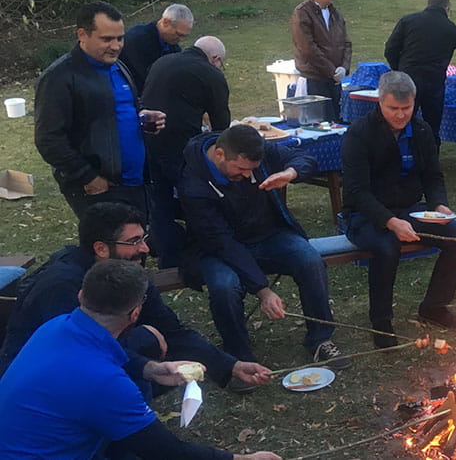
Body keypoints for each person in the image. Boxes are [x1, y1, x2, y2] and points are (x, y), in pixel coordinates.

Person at [0, 259, 280, 460]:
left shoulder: (57, 326)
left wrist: (153, 370)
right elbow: (165, 451)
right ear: (135, 314)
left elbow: (108, 356)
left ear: (82, 296)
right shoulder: (104, 382)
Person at [0, 203, 270, 397]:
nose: (145, 249)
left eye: (144, 239)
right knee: (149, 347)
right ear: (101, 248)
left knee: (167, 353)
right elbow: (79, 352)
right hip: (40, 378)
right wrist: (146, 344)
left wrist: (231, 365)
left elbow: (173, 330)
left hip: (88, 357)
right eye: (134, 241)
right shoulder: (61, 286)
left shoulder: (128, 272)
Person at [178, 124, 347, 367]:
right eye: (241, 169)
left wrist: (290, 173)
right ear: (219, 155)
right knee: (224, 286)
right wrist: (262, 289)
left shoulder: (257, 149)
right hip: (216, 248)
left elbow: (306, 158)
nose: (247, 176)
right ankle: (239, 358)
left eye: (252, 170)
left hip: (267, 236)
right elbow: (221, 242)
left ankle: (320, 339)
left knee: (310, 260)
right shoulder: (193, 183)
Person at [341, 72, 456, 348]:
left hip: (411, 209)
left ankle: (434, 307)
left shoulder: (422, 131)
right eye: (393, 109)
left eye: (406, 108)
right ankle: (382, 322)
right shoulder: (360, 133)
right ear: (379, 102)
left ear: (414, 103)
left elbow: (433, 176)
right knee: (387, 247)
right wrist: (389, 221)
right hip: (365, 215)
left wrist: (439, 204)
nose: (401, 115)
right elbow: (356, 191)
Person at [35, 1, 166, 219]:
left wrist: (142, 116)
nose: (116, 46)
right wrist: (87, 176)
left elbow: (124, 106)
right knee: (112, 249)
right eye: (106, 39)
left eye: (120, 38)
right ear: (82, 34)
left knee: (136, 243)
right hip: (99, 186)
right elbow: (48, 139)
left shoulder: (117, 66)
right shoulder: (60, 77)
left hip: (134, 179)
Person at [142, 36, 231, 268]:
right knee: (193, 197)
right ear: (216, 59)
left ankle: (167, 256)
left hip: (150, 138)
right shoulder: (211, 74)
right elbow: (221, 123)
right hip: (182, 147)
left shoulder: (163, 61)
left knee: (160, 201)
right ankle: (198, 252)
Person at [384, 0, 456, 143]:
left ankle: (399, 156)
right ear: (447, 8)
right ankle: (430, 159)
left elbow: (390, 49)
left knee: (402, 119)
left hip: (408, 78)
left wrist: (399, 69)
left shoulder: (408, 20)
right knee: (432, 125)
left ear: (428, 5)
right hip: (434, 80)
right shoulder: (450, 27)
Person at [291, 0, 352, 123]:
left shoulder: (336, 14)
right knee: (319, 126)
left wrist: (344, 68)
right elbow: (308, 49)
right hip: (315, 80)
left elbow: (347, 43)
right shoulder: (302, 13)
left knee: (336, 123)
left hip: (334, 80)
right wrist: (332, 70)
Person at [118, 3, 194, 93]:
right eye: (178, 34)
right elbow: (149, 77)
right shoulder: (137, 39)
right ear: (165, 22)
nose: (181, 39)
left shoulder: (173, 47)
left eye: (184, 36)